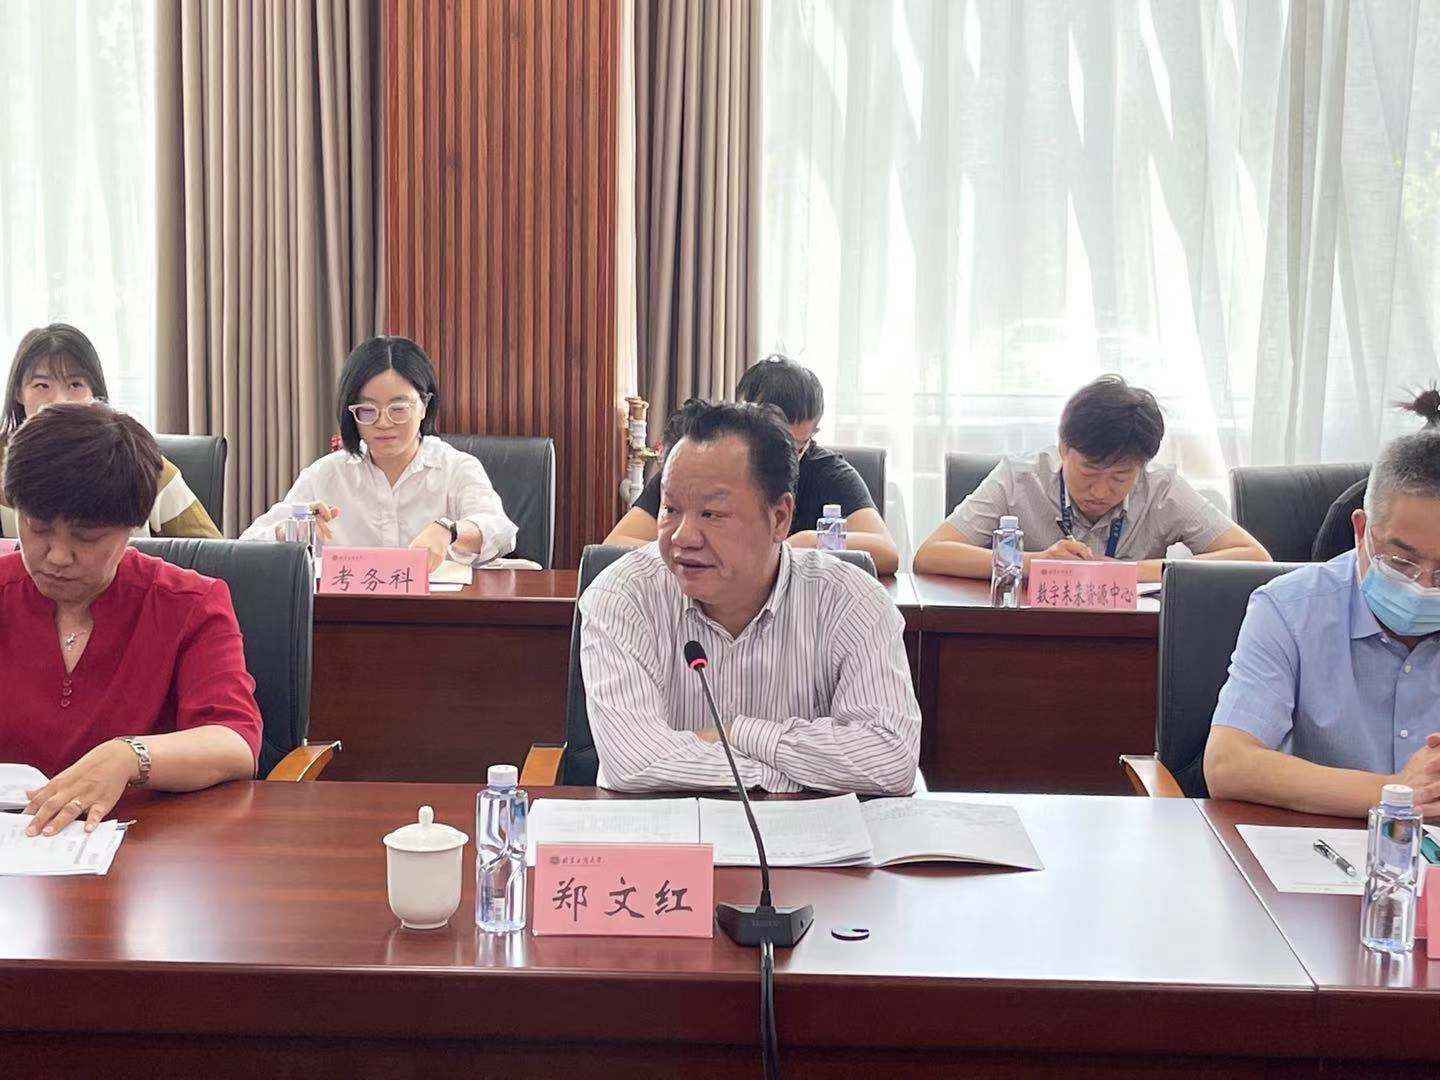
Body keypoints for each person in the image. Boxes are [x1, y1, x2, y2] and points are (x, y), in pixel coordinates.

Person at [580, 399, 921, 794]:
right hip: (665, 830)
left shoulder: (851, 602)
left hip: (802, 831)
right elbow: (633, 762)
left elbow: (890, 759)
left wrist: (735, 732)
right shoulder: (622, 596)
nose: (682, 537)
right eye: (670, 509)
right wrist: (784, 773)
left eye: (711, 514)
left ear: (779, 518)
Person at [0, 403, 260, 837]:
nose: (58, 556)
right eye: (38, 527)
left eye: (87, 536)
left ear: (132, 526)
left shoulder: (190, 603)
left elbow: (234, 742)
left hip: (143, 842)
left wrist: (129, 757)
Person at [1205, 390, 1440, 817]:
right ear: (1360, 530)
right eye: (1402, 560)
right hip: (1323, 845)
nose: (1423, 585)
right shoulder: (1289, 609)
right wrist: (1400, 793)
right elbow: (1228, 765)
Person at [913, 375, 1269, 582]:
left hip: (1130, 642)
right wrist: (1035, 562)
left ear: (1142, 466)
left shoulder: (1162, 488)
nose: (1101, 490)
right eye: (1089, 471)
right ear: (1063, 448)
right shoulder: (1019, 478)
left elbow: (1254, 557)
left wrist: (1130, 572)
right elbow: (930, 555)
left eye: (1120, 476)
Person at [604, 355, 900, 575]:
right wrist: (692, 552)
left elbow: (885, 552)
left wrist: (809, 542)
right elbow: (614, 547)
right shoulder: (699, 465)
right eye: (770, 443)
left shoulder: (829, 473)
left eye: (796, 446)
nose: (782, 458)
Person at [241, 335, 517, 569]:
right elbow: (246, 547)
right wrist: (289, 530)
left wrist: (449, 530)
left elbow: (501, 531)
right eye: (367, 410)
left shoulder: (456, 468)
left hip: (439, 612)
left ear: (424, 406)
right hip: (348, 614)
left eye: (398, 408)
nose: (383, 422)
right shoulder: (325, 474)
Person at [1, 323, 221, 539]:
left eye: (75, 384)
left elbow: (214, 554)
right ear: (18, 392)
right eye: (42, 385)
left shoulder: (140, 463)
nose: (59, 401)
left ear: (95, 393)